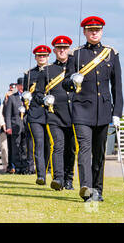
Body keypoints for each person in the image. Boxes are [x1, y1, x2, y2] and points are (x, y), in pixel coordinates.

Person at [63, 16, 123, 202]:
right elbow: (65, 83)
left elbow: (117, 86)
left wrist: (117, 113)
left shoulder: (111, 54)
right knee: (84, 149)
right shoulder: (76, 54)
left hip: (104, 110)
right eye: (90, 30)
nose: (94, 32)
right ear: (84, 32)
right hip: (81, 109)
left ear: (102, 31)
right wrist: (73, 81)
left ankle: (98, 190)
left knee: (99, 154)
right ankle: (86, 188)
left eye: (97, 29)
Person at [34, 36, 76, 191]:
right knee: (57, 146)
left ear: (69, 49)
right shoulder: (47, 71)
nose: (62, 50)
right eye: (59, 48)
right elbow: (37, 94)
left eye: (65, 47)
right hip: (55, 115)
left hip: (74, 114)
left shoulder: (77, 68)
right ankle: (58, 178)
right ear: (54, 50)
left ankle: (69, 179)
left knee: (71, 149)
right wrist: (45, 100)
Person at [23, 45, 51, 185]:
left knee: (49, 145)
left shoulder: (53, 71)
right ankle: (40, 175)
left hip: (51, 112)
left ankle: (47, 169)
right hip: (35, 112)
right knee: (38, 144)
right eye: (39, 56)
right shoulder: (29, 74)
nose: (42, 58)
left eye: (44, 56)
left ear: (48, 57)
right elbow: (26, 94)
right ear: (35, 57)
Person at [4, 77, 27, 174]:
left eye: (23, 85)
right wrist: (8, 127)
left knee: (25, 147)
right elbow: (8, 114)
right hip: (15, 126)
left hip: (26, 126)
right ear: (17, 86)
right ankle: (17, 167)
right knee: (16, 147)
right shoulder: (12, 98)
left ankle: (25, 167)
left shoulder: (28, 97)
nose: (22, 87)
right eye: (20, 85)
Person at [0, 83, 17, 173]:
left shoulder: (17, 100)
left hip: (14, 127)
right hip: (5, 128)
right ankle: (6, 166)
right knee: (5, 148)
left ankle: (14, 166)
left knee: (14, 148)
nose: (11, 92)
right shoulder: (4, 102)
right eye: (10, 91)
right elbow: (1, 114)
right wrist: (3, 124)